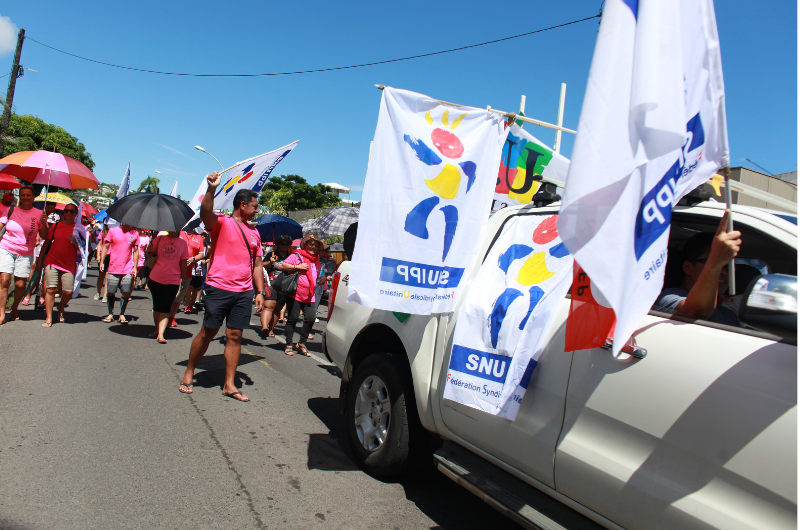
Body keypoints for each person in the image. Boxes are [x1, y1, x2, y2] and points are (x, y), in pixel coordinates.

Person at [179, 176, 265, 402]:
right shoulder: (223, 223)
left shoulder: (255, 233)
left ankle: (229, 384)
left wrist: (260, 292)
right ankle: (190, 370)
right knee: (208, 332)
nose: (257, 210)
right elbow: (205, 213)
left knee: (235, 335)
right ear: (242, 205)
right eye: (255, 206)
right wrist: (211, 188)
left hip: (244, 291)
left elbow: (256, 265)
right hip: (219, 287)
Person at [653, 210, 742, 326]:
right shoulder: (669, 297)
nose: (725, 272)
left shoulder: (728, 314)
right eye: (710, 260)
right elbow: (694, 313)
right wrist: (715, 263)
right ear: (688, 267)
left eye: (728, 266)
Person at [0, 186, 48, 324]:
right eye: (23, 195)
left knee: (20, 284)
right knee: (4, 281)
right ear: (19, 196)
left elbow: (45, 236)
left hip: (26, 252)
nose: (25, 198)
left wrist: (44, 224)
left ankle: (14, 309)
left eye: (28, 195)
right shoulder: (10, 210)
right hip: (6, 248)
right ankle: (1, 313)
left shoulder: (39, 213)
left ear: (33, 197)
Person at [280, 233, 324, 356]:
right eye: (311, 244)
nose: (313, 247)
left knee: (310, 319)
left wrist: (322, 278)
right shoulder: (297, 255)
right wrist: (297, 266)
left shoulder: (317, 260)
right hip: (295, 293)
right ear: (306, 244)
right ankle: (289, 344)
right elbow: (282, 265)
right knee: (292, 319)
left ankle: (301, 344)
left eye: (316, 245)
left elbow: (316, 275)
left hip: (310, 294)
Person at [41, 204, 80, 327]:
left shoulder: (79, 228)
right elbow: (47, 241)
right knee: (50, 289)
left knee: (68, 292)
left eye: (72, 211)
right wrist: (40, 259)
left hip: (69, 264)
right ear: (63, 212)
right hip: (52, 261)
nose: (69, 213)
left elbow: (84, 249)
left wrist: (75, 243)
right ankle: (49, 318)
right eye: (66, 210)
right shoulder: (57, 225)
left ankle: (61, 307)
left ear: (76, 213)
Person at [146, 231, 190, 343]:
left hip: (173, 280)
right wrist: (149, 249)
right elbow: (149, 255)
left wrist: (183, 279)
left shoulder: (182, 243)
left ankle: (161, 334)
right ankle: (157, 330)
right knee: (157, 306)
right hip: (155, 277)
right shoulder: (159, 239)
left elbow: (183, 262)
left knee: (166, 306)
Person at [99, 223, 139, 324]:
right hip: (113, 267)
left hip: (127, 268)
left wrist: (135, 266)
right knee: (111, 292)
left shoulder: (134, 233)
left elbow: (136, 250)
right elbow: (105, 246)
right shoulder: (113, 231)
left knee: (126, 292)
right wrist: (102, 261)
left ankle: (122, 314)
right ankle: (110, 314)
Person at [259, 234, 293, 338]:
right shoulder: (271, 254)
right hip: (271, 283)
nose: (285, 245)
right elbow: (261, 265)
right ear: (278, 244)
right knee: (269, 306)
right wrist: (270, 262)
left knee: (278, 308)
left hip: (285, 285)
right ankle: (264, 327)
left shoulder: (291, 256)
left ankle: (271, 329)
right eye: (282, 243)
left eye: (287, 244)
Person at [181, 227, 207, 314]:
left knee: (195, 288)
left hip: (197, 268)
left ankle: (190, 305)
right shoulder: (180, 233)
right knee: (188, 287)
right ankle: (187, 304)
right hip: (183, 267)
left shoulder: (198, 237)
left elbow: (202, 254)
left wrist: (194, 258)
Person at [94, 224, 110, 301]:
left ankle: (105, 295)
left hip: (111, 256)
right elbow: (100, 244)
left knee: (107, 276)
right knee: (101, 275)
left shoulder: (116, 232)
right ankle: (98, 292)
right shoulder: (103, 232)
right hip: (103, 256)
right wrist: (98, 256)